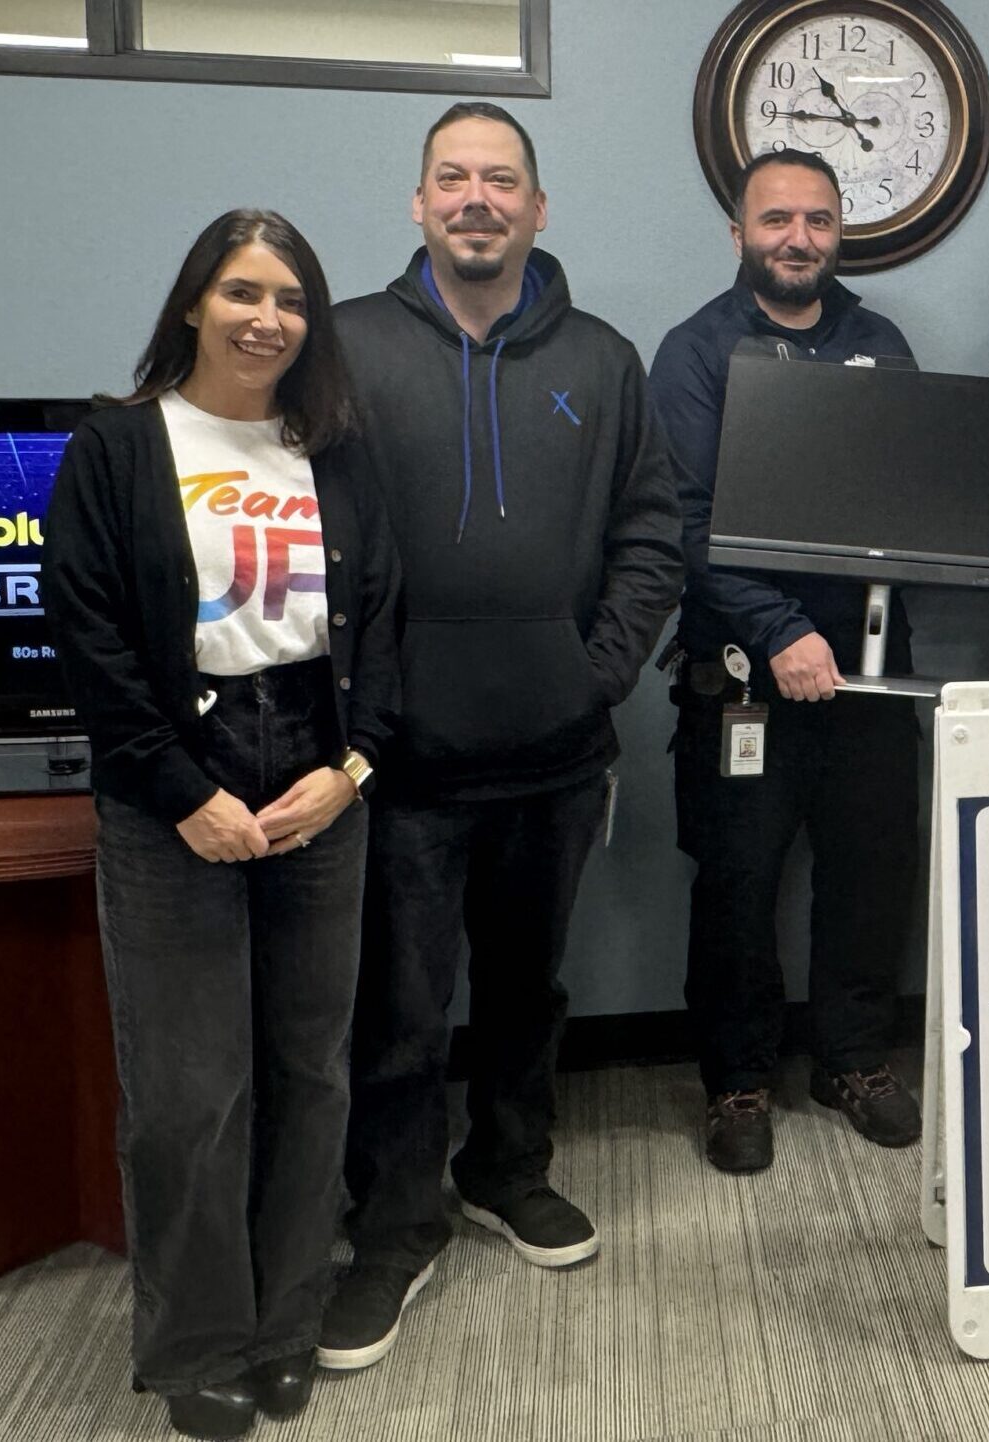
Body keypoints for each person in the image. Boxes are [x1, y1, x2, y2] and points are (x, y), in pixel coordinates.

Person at [319, 102, 684, 1369]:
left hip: (557, 750)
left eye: (502, 180)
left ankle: (507, 1166)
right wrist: (366, 693)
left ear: (539, 207)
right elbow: (305, 535)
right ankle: (393, 1223)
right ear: (418, 202)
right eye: (452, 178)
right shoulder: (345, 348)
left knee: (529, 989)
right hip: (400, 755)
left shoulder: (604, 357)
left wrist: (595, 674)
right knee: (402, 1006)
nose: (478, 198)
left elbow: (652, 531)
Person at [44, 209, 399, 1440]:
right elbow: (88, 637)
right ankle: (197, 1343)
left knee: (309, 1070)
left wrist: (350, 768)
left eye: (293, 299)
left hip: (315, 767)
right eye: (244, 291)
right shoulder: (120, 445)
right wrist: (181, 789)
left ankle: (285, 1324)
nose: (269, 318)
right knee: (190, 1093)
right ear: (194, 301)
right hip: (172, 782)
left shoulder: (337, 451)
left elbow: (387, 630)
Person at [649, 147, 924, 1175]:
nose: (796, 237)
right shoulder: (694, 352)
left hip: (867, 672)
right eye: (775, 220)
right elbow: (686, 520)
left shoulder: (880, 344)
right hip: (742, 677)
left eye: (815, 219)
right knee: (736, 883)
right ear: (738, 234)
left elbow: (907, 497)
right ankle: (737, 1077)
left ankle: (852, 1058)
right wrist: (777, 629)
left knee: (870, 873)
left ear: (836, 232)